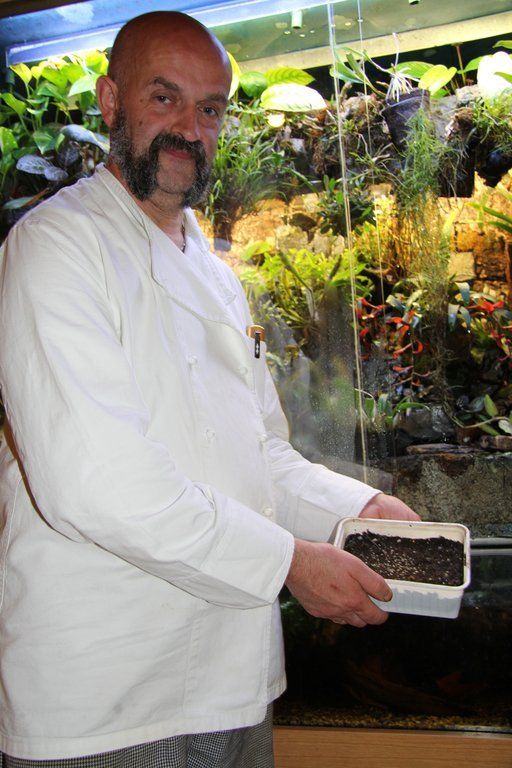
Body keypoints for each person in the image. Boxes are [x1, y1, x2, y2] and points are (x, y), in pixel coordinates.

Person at [0, 11, 418, 768]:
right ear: (110, 101)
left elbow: (261, 454)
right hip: (107, 695)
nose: (190, 129)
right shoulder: (55, 246)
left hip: (233, 678)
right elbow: (95, 486)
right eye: (165, 98)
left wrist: (356, 509)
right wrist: (289, 563)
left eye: (211, 108)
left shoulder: (218, 277)